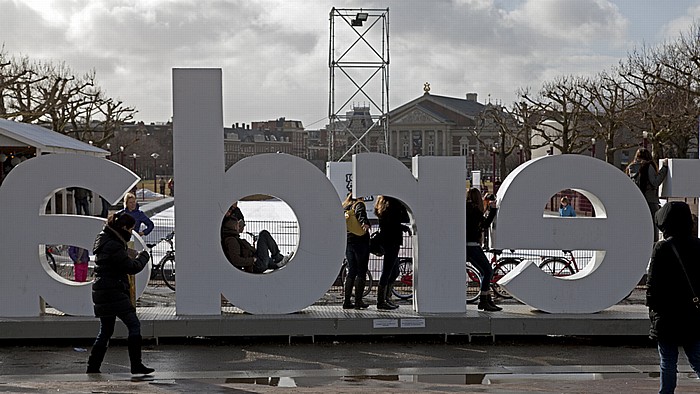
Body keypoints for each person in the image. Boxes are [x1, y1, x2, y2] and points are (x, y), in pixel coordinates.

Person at [86, 211, 154, 375]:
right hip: (113, 291)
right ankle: (136, 365)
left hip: (102, 290)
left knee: (106, 330)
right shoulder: (114, 245)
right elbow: (132, 268)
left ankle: (93, 367)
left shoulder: (106, 239)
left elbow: (116, 261)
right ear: (123, 227)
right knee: (133, 324)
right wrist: (144, 257)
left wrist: (127, 254)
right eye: (131, 229)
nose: (131, 232)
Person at [647, 201, 700, 393]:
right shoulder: (698, 245)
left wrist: (653, 312)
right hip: (693, 315)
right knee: (697, 358)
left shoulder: (662, 248)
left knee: (667, 361)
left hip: (667, 315)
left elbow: (652, 286)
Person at [221, 204, 292, 273]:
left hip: (256, 262)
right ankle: (278, 258)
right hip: (256, 265)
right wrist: (252, 260)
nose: (239, 227)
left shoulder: (234, 238)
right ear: (233, 227)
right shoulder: (231, 240)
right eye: (237, 225)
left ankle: (277, 262)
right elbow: (236, 260)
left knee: (262, 239)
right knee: (263, 234)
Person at [466, 187, 501, 312]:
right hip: (472, 246)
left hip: (467, 246)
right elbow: (485, 224)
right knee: (488, 271)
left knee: (484, 272)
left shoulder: (466, 209)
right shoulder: (475, 211)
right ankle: (484, 300)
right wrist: (493, 210)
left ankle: (487, 299)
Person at [374, 195, 410, 310]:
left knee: (393, 271)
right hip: (392, 241)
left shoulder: (381, 204)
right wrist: (403, 203)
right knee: (388, 271)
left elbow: (390, 224)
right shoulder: (394, 204)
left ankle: (386, 298)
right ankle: (382, 300)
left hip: (386, 240)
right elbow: (404, 218)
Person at [626, 148, 668, 242]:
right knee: (653, 226)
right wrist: (664, 168)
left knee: (638, 225)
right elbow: (655, 182)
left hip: (637, 201)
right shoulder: (648, 166)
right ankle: (653, 248)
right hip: (650, 200)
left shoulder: (631, 167)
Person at [342, 193, 371, 309]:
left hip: (348, 241)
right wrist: (365, 223)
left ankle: (347, 301)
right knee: (361, 271)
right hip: (360, 242)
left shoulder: (345, 206)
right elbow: (361, 214)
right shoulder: (359, 204)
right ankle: (358, 301)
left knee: (351, 270)